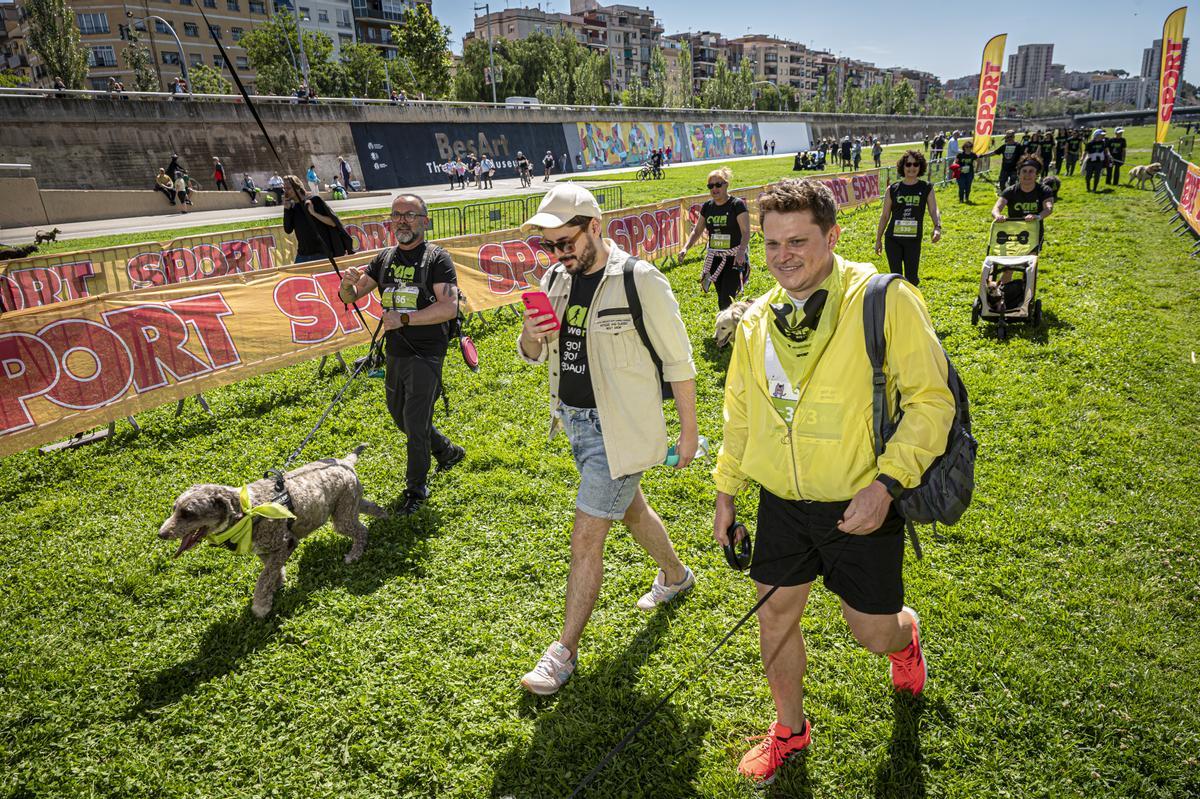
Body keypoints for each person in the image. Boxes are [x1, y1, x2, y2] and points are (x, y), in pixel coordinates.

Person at [713, 177, 953, 786]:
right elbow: (740, 414)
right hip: (782, 504)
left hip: (862, 503)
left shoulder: (885, 299)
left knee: (871, 634)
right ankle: (790, 729)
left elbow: (931, 402)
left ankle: (905, 638)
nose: (783, 256)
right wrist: (727, 491)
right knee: (774, 619)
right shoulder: (756, 321)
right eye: (771, 244)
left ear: (834, 236)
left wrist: (886, 486)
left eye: (799, 241)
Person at [516, 184, 699, 696]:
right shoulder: (555, 278)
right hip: (574, 423)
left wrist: (689, 431)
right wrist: (532, 332)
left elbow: (679, 361)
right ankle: (676, 575)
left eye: (565, 242)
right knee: (632, 510)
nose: (557, 255)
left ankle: (562, 654)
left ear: (595, 227)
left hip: (618, 428)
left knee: (587, 535)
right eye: (549, 246)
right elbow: (532, 352)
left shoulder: (640, 280)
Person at [337, 194, 466, 516]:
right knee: (400, 416)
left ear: (424, 220)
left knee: (415, 420)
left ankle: (415, 488)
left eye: (410, 215)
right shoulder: (385, 258)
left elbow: (449, 307)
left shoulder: (437, 259)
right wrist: (346, 285)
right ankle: (447, 451)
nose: (402, 220)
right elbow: (353, 294)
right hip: (395, 351)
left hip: (427, 352)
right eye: (396, 215)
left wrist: (406, 319)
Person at [681, 167, 752, 310]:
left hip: (734, 257)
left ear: (726, 184)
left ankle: (729, 326)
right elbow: (697, 230)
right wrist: (685, 248)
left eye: (718, 185)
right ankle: (733, 322)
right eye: (711, 186)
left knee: (726, 298)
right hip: (715, 258)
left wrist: (741, 252)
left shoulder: (736, 205)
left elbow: (745, 232)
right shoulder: (708, 206)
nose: (714, 189)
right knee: (722, 296)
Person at [875, 149, 941, 286]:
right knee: (896, 278)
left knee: (912, 279)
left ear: (920, 166)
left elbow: (933, 210)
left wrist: (937, 227)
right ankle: (898, 304)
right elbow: (885, 216)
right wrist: (878, 239)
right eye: (908, 164)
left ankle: (912, 304)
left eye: (916, 164)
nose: (912, 168)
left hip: (913, 241)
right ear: (903, 166)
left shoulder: (926, 188)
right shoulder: (893, 189)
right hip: (893, 240)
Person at [281, 174, 347, 264]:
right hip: (303, 254)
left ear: (297, 188)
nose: (285, 192)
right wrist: (287, 209)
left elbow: (333, 223)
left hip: (321, 254)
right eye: (284, 189)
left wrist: (313, 213)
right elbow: (288, 230)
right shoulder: (292, 207)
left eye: (288, 188)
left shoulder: (314, 200)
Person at [992, 155, 1053, 230]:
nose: (1027, 174)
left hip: (1035, 231)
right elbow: (996, 208)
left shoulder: (1044, 190)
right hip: (1013, 230)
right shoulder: (1010, 191)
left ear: (1036, 174)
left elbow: (1048, 208)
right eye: (1024, 171)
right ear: (1018, 174)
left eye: (1031, 171)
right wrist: (998, 215)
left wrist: (1037, 217)